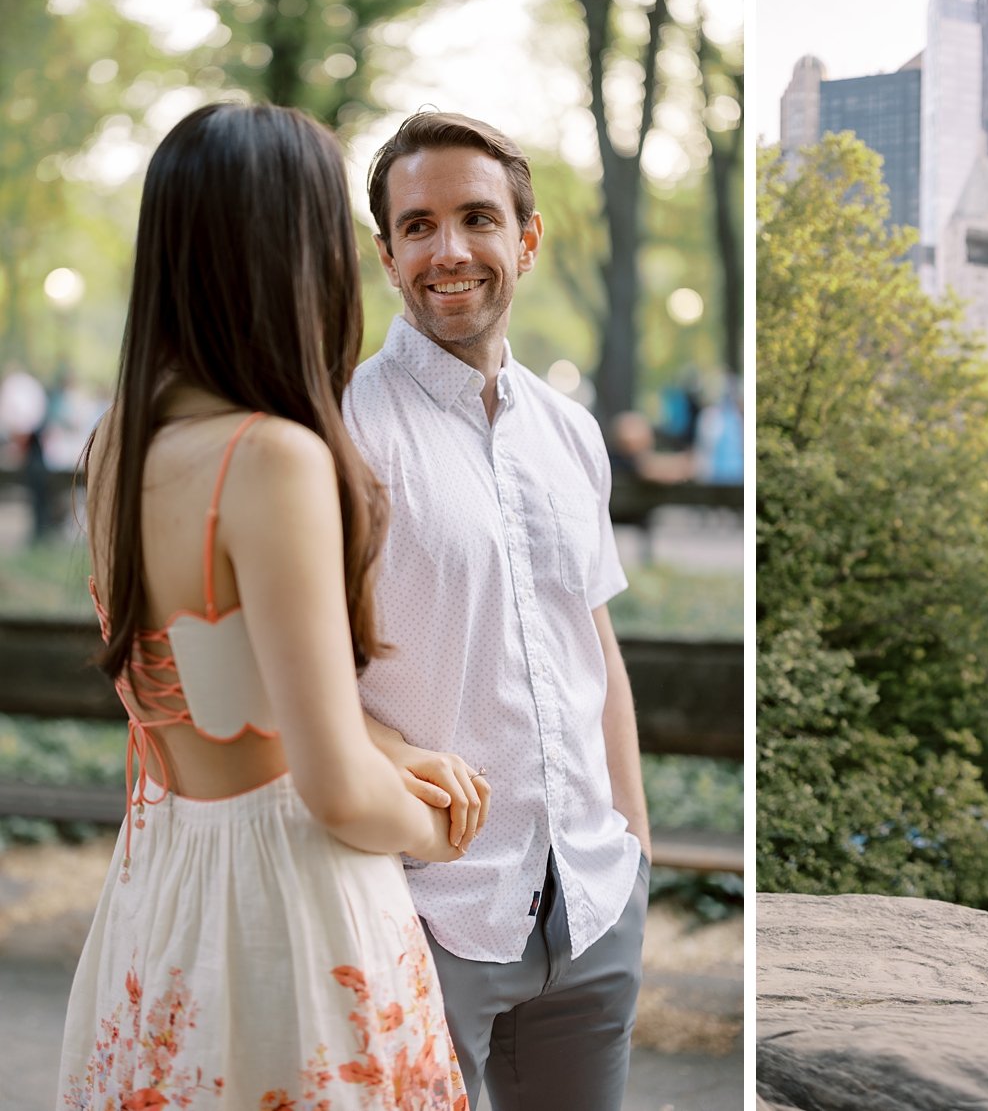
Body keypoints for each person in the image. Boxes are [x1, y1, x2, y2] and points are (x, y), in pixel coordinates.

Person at [56, 102, 469, 1109]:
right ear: (298, 253)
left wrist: (391, 747)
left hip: (166, 893)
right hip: (293, 909)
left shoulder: (120, 444)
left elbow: (224, 685)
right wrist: (442, 822)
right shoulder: (270, 458)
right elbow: (333, 790)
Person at [344, 111, 652, 1109]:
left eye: (477, 218)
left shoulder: (572, 433)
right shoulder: (344, 430)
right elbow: (295, 672)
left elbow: (591, 643)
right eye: (419, 226)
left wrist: (631, 846)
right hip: (431, 907)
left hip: (594, 906)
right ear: (388, 255)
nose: (451, 250)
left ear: (526, 238)